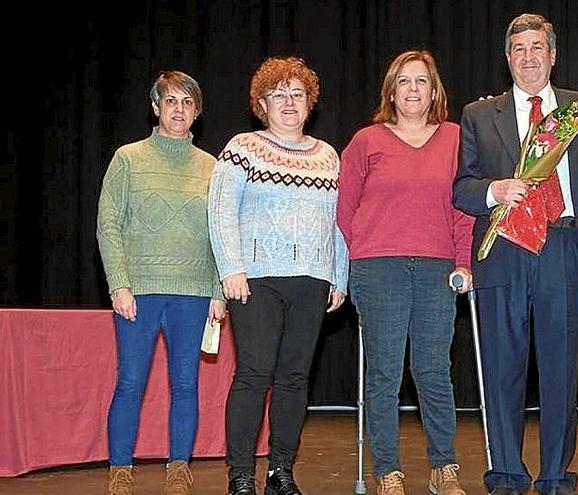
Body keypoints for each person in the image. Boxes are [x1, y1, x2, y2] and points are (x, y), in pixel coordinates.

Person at [453, 13, 578, 495]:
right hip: (505, 253)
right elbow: (461, 188)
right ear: (507, 57)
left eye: (538, 48)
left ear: (553, 55)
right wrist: (495, 189)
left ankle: (557, 475)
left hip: (562, 247)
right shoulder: (478, 115)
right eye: (519, 49)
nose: (529, 57)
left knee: (560, 373)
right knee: (501, 371)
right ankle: (508, 474)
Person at [208, 55, 348, 495]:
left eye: (297, 94)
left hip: (312, 280)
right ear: (262, 104)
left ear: (311, 102)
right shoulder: (242, 148)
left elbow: (341, 221)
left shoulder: (328, 156)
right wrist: (231, 268)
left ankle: (281, 471)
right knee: (254, 373)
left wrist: (338, 276)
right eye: (278, 95)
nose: (289, 102)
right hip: (255, 279)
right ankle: (241, 475)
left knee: (294, 378)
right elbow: (220, 210)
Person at [337, 50, 475, 495]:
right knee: (384, 374)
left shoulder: (455, 137)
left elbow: (463, 210)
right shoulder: (366, 141)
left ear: (434, 90)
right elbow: (345, 208)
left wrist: (462, 261)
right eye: (404, 81)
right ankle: (388, 472)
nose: (413, 89)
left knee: (434, 370)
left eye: (421, 81)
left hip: (437, 268)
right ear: (391, 91)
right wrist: (358, 255)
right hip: (378, 268)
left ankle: (443, 467)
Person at [97, 70, 227, 495]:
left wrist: (218, 292)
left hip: (193, 294)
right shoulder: (128, 158)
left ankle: (178, 470)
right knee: (131, 381)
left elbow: (220, 234)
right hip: (140, 291)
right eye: (170, 101)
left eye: (187, 103)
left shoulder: (212, 168)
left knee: (186, 384)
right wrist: (119, 284)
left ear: (197, 111)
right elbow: (108, 226)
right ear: (156, 107)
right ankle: (120, 471)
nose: (178, 110)